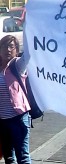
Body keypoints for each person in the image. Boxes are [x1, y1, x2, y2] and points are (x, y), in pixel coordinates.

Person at [0, 35, 31, 164]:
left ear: (16, 50)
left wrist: (26, 25)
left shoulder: (17, 66)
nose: (8, 49)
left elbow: (29, 54)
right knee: (9, 159)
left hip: (18, 119)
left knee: (23, 157)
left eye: (11, 46)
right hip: (2, 122)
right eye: (4, 46)